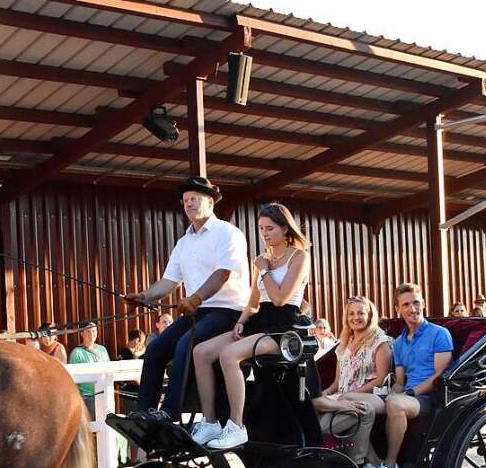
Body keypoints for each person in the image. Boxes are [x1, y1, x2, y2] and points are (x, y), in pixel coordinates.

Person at [124, 176, 249, 422]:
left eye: (195, 198)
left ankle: (170, 413)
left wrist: (196, 297)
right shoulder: (183, 242)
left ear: (211, 202)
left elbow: (223, 273)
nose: (189, 204)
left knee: (185, 345)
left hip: (228, 312)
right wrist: (144, 296)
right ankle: (144, 411)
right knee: (156, 348)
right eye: (185, 200)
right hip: (198, 313)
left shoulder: (228, 233)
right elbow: (169, 282)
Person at [191, 203, 311, 450]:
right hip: (260, 321)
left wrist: (264, 270)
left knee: (229, 355)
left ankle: (237, 427)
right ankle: (210, 420)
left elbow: (280, 299)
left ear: (284, 228)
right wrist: (240, 321)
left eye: (270, 228)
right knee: (201, 352)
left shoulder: (299, 257)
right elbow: (254, 302)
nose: (264, 233)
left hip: (283, 328)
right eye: (261, 228)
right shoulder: (263, 260)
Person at [382, 283, 454, 468]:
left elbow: (439, 377)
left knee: (395, 404)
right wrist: (391, 393)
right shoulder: (399, 342)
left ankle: (389, 465)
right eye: (406, 304)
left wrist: (409, 393)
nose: (412, 309)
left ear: (423, 303)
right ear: (398, 309)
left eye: (416, 303)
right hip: (406, 395)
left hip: (431, 399)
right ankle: (370, 462)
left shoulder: (439, 334)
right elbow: (400, 381)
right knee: (363, 403)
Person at [319, 296, 393, 468]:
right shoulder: (344, 344)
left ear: (369, 315)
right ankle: (373, 461)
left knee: (346, 410)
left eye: (361, 312)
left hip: (375, 396)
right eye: (351, 313)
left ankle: (358, 462)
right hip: (343, 396)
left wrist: (350, 395)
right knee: (319, 406)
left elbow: (380, 380)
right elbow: (337, 382)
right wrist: (324, 394)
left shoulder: (380, 342)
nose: (356, 317)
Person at [68, 322, 110, 420]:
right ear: (82, 333)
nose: (92, 333)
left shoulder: (102, 349)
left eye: (94, 331)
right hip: (88, 397)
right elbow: (74, 380)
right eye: (88, 331)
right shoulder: (77, 353)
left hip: (104, 393)